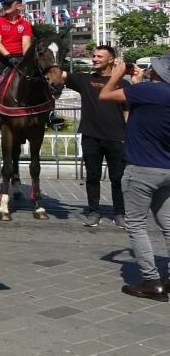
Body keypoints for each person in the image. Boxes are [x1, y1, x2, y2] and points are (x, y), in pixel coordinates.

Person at [99, 54, 170, 302]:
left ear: (158, 74)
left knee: (137, 224)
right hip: (166, 169)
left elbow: (105, 96)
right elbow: (134, 116)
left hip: (141, 168)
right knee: (168, 225)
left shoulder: (149, 91)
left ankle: (151, 280)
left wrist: (117, 76)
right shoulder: (152, 93)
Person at [63, 45, 129, 228]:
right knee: (92, 176)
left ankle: (119, 213)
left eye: (100, 56)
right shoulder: (84, 79)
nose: (95, 59)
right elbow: (57, 75)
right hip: (91, 135)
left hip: (116, 137)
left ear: (111, 60)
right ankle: (93, 211)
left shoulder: (123, 83)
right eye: (94, 56)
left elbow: (127, 111)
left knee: (118, 178)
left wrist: (127, 134)